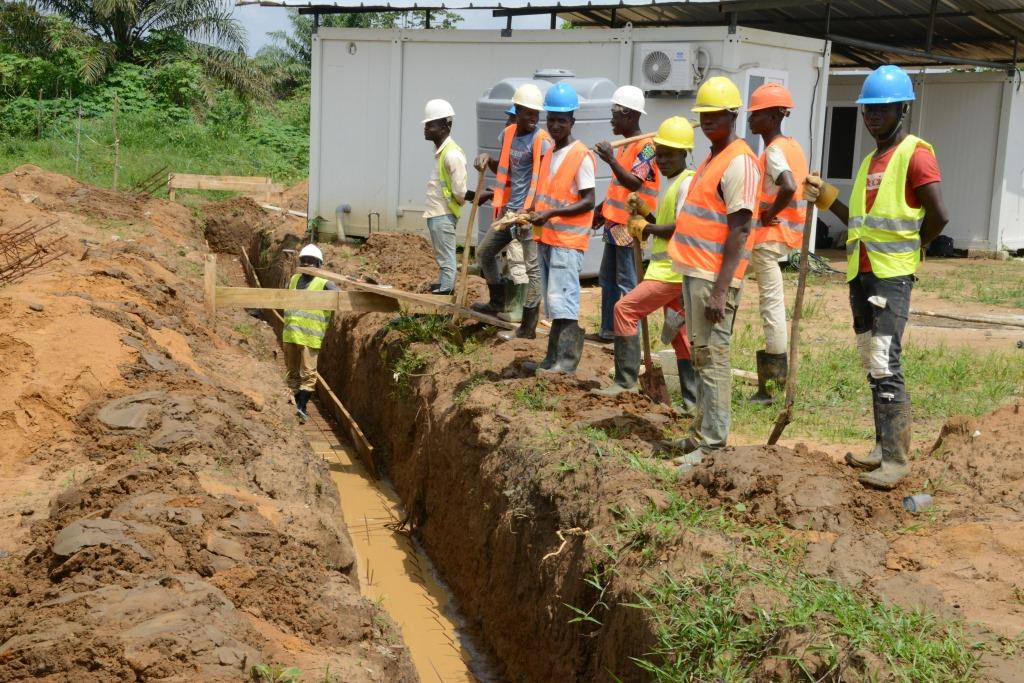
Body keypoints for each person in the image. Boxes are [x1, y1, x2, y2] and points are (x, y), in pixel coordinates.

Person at [804, 65, 948, 490]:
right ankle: (882, 447)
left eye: (882, 110)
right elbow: (862, 222)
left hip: (890, 278)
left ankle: (896, 459)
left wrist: (915, 247)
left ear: (903, 109)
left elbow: (939, 215)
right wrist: (829, 198)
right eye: (868, 110)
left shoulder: (915, 153)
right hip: (861, 275)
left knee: (886, 362)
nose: (872, 118)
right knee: (873, 361)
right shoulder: (871, 159)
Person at [665, 76, 760, 469]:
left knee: (713, 355)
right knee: (703, 355)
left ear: (732, 115)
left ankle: (714, 443)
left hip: (713, 278)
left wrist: (721, 291)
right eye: (703, 116)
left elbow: (740, 229)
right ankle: (700, 433)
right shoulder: (714, 156)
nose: (708, 122)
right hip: (697, 272)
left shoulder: (739, 161)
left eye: (715, 116)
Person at [593, 116, 698, 413]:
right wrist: (646, 214)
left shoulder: (686, 184)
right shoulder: (674, 182)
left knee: (624, 309)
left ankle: (625, 380)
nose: (662, 160)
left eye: (669, 155)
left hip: (672, 272)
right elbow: (664, 222)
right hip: (675, 271)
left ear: (684, 154)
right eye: (660, 154)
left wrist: (646, 229)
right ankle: (690, 403)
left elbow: (680, 227)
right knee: (680, 334)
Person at [522, 82, 596, 375]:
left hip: (567, 240)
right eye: (551, 119)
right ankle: (551, 359)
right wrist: (532, 213)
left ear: (572, 122)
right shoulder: (550, 153)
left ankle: (565, 363)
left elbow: (589, 201)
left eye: (561, 121)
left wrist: (551, 213)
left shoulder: (581, 155)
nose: (555, 125)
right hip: (549, 239)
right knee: (554, 302)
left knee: (564, 301)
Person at [471, 84, 552, 342]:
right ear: (517, 111)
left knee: (531, 268)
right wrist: (486, 159)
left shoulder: (542, 141)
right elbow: (506, 170)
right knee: (484, 253)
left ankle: (527, 325)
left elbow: (547, 179)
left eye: (536, 115)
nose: (533, 119)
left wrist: (532, 212)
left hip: (527, 213)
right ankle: (497, 301)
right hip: (508, 211)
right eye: (528, 114)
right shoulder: (508, 134)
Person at [746, 83, 809, 404]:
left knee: (771, 308)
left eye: (756, 114)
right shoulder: (792, 145)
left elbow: (786, 185)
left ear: (773, 116)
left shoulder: (772, 151)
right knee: (770, 303)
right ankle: (771, 383)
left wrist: (770, 211)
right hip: (783, 237)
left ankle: (771, 387)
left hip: (769, 237)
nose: (751, 119)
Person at [591, 85, 660, 343]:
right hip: (614, 222)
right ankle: (609, 330)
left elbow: (633, 183)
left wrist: (610, 159)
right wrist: (601, 209)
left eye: (615, 114)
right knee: (607, 278)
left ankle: (630, 339)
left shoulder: (646, 147)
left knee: (627, 282)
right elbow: (618, 188)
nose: (611, 119)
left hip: (630, 225)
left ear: (629, 115)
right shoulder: (625, 146)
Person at [422, 98, 475, 295]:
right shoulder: (441, 152)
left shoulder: (452, 155)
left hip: (444, 212)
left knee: (446, 254)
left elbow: (459, 190)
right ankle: (444, 284)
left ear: (445, 126)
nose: (426, 129)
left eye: (431, 125)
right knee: (441, 252)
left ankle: (447, 289)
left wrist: (473, 196)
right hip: (436, 211)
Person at [282, 244, 339, 423]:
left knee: (308, 374)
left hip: (310, 337)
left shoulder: (324, 282)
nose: (306, 264)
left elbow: (340, 297)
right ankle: (294, 405)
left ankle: (301, 406)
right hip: (290, 334)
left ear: (318, 264)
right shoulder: (294, 278)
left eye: (311, 261)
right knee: (292, 373)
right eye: (304, 260)